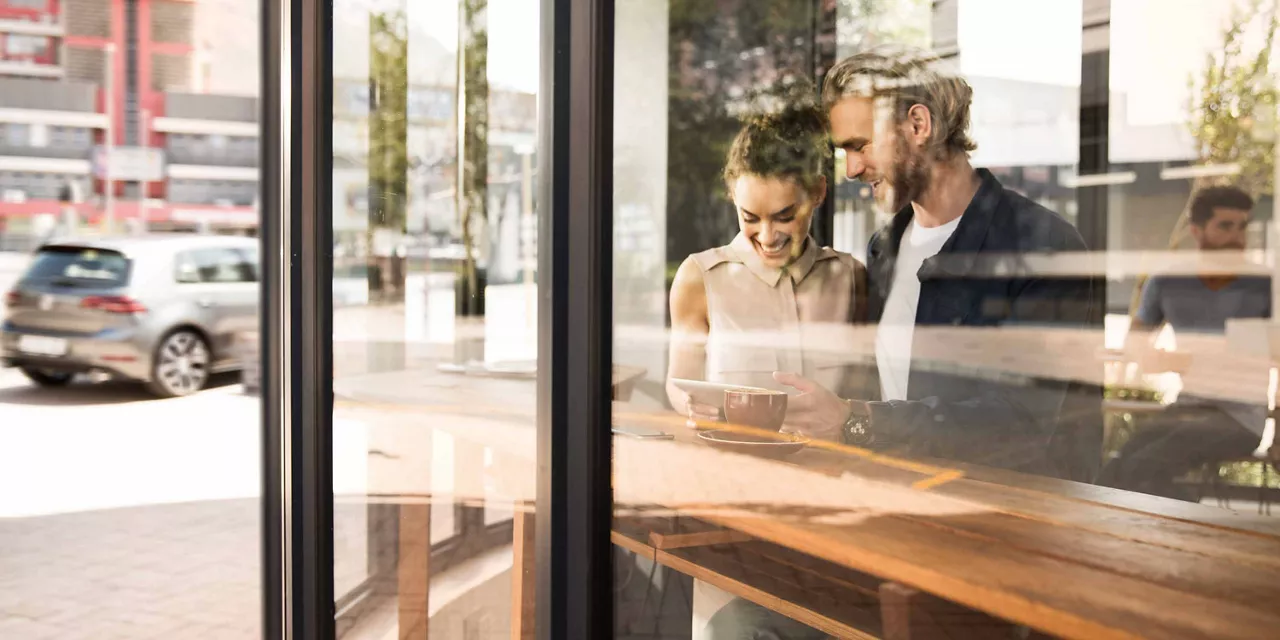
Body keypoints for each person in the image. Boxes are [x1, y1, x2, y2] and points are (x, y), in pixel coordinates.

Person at [705, 46, 1100, 640]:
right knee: (736, 623)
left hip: (998, 556)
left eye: (859, 146)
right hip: (891, 535)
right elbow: (880, 391)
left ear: (917, 126)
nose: (851, 169)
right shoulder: (885, 248)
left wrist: (857, 421)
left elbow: (1022, 425)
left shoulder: (1045, 244)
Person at [665, 102, 867, 420]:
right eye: (750, 218)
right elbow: (680, 384)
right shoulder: (699, 278)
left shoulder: (851, 277)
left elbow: (863, 397)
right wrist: (692, 406)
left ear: (818, 192)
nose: (768, 236)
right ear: (732, 194)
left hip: (831, 466)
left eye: (785, 217)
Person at [1101, 186, 1269, 500]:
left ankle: (1184, 534)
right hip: (1188, 408)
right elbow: (1135, 342)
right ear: (1196, 231)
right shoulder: (1166, 282)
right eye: (1225, 226)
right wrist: (1157, 358)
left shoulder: (1264, 285)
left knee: (1146, 466)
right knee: (1114, 470)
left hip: (1240, 418)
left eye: (1242, 226)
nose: (1237, 236)